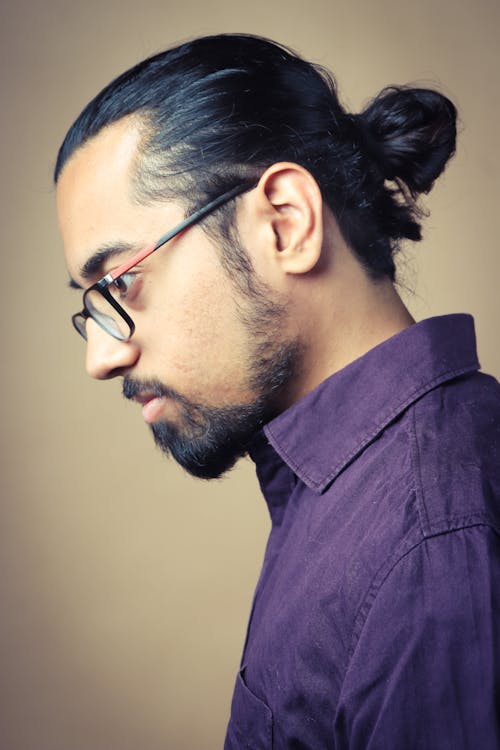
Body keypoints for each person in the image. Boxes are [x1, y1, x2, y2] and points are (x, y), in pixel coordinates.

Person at [55, 33, 500, 749]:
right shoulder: (353, 492)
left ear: (285, 223)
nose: (101, 358)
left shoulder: (431, 549)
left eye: (118, 284)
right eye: (92, 304)